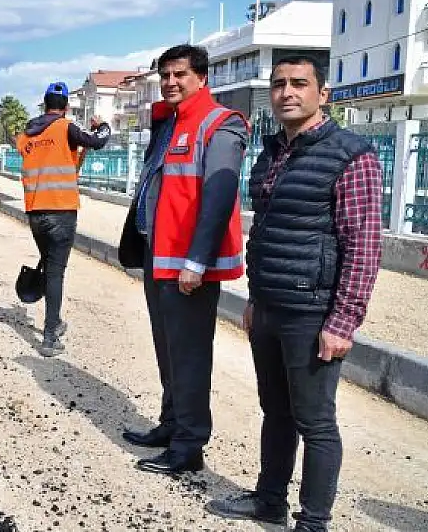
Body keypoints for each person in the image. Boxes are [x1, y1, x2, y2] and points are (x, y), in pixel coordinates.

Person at [206, 56, 383, 531]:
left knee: (316, 423)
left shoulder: (352, 155)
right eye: (280, 83)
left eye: (299, 84)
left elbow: (363, 245)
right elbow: (264, 231)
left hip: (313, 311)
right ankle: (269, 502)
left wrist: (343, 321)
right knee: (275, 413)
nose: (287, 92)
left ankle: (313, 521)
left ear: (322, 93)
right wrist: (255, 299)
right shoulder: (271, 154)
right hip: (270, 308)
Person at [116, 44, 248, 475]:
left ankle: (189, 446)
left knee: (189, 355)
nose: (171, 82)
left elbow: (218, 194)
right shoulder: (169, 122)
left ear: (201, 78)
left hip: (188, 262)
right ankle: (171, 424)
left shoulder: (220, 124)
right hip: (160, 252)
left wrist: (198, 260)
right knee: (167, 347)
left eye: (180, 75)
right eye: (166, 75)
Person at [17, 81, 110, 356]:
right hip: (61, 211)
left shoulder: (27, 134)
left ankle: (55, 321)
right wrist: (102, 126)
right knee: (55, 271)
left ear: (44, 104)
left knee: (48, 265)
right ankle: (50, 336)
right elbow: (97, 142)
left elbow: (41, 156)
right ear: (66, 107)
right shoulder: (65, 127)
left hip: (35, 212)